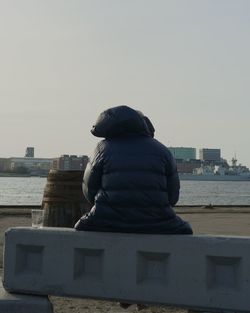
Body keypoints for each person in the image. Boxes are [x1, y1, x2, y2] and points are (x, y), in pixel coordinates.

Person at [75, 105, 192, 234]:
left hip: (106, 219)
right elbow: (173, 196)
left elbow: (89, 189)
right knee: (185, 229)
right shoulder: (163, 151)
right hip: (158, 222)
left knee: (81, 225)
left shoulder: (102, 148)